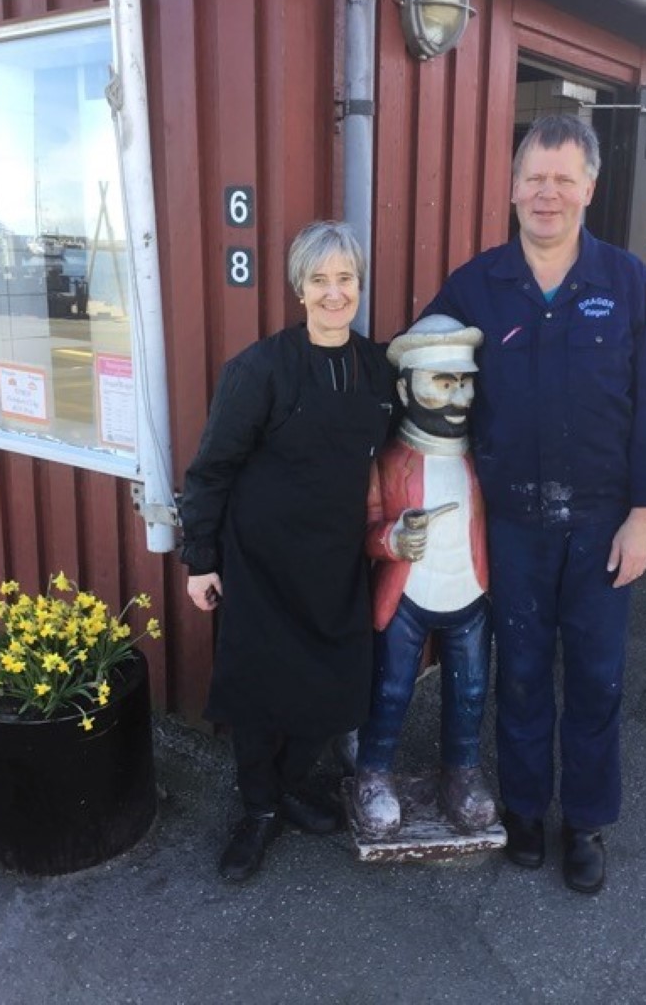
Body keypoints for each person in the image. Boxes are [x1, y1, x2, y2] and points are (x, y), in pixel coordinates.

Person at [422, 114, 646, 893]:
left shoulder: (626, 283)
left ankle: (586, 822)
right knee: (523, 675)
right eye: (534, 177)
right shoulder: (474, 286)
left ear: (589, 189)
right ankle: (527, 809)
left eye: (564, 179)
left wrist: (643, 520)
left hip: (602, 525)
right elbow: (419, 369)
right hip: (513, 524)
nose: (548, 193)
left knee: (596, 679)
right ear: (511, 187)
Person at [179, 220, 395, 884]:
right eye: (319, 280)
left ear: (359, 284)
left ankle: (291, 784)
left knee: (335, 686)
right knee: (259, 692)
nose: (334, 292)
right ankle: (259, 810)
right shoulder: (259, 370)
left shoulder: (378, 370)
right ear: (299, 289)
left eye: (345, 278)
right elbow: (211, 469)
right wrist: (200, 558)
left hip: (336, 562)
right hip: (261, 562)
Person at [352, 315, 497, 839]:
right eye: (441, 383)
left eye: (464, 383)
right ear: (405, 389)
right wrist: (392, 540)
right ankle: (373, 771)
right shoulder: (389, 462)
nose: (458, 398)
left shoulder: (484, 458)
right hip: (407, 596)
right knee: (391, 688)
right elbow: (365, 528)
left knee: (471, 688)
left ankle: (462, 772)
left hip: (470, 593)